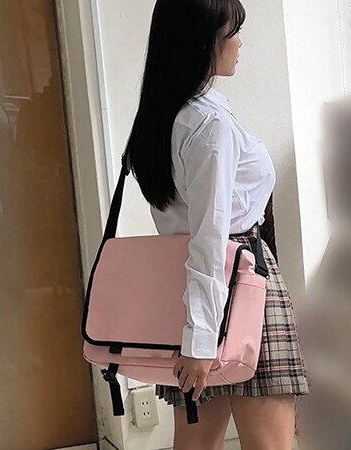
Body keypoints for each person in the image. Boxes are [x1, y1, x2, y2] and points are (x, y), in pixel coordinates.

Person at [121, 1, 309, 449]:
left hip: (196, 294)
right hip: (240, 278)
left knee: (195, 443)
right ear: (203, 43)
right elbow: (210, 235)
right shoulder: (209, 124)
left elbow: (188, 231)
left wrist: (197, 335)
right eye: (232, 32)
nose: (240, 43)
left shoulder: (162, 119)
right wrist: (201, 343)